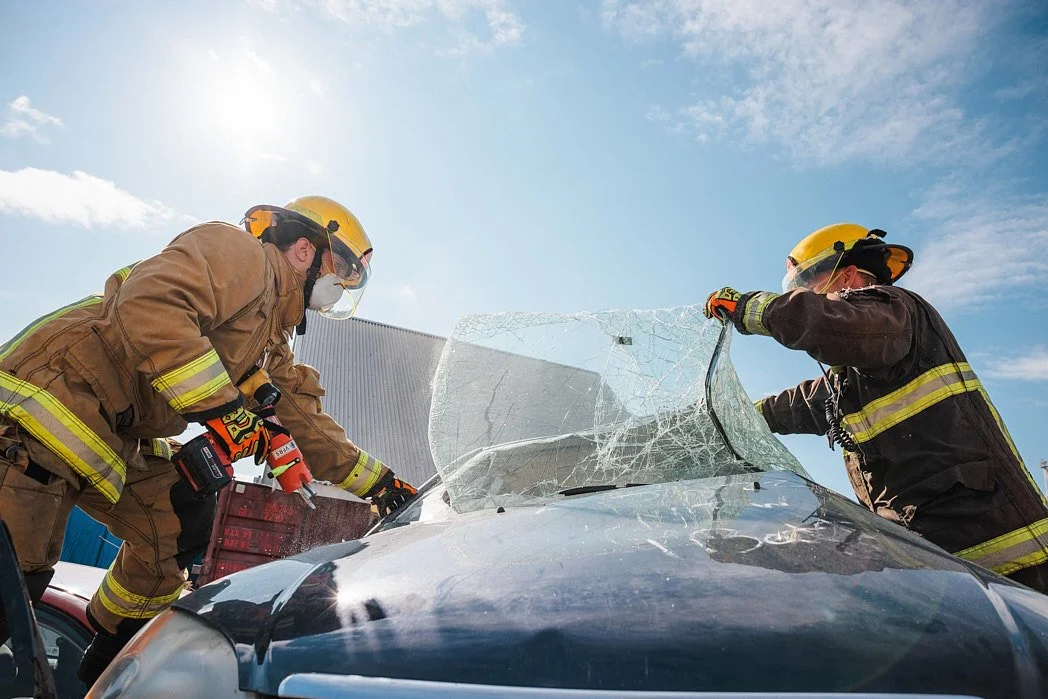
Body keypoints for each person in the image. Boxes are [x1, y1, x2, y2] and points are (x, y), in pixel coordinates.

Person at [0, 195, 418, 684]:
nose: (340, 287)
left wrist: (386, 487)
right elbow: (151, 304)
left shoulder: (268, 339)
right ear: (306, 251)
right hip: (47, 406)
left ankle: (99, 665)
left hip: (114, 432)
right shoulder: (240, 254)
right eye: (342, 270)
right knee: (14, 581)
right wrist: (225, 411)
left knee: (181, 516)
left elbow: (308, 427)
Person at [703, 223, 1048, 592]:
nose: (806, 298)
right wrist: (733, 415)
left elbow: (832, 324)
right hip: (949, 575)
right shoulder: (857, 375)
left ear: (847, 276)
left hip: (1012, 567)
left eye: (808, 288)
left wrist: (748, 308)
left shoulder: (897, 312)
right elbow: (799, 404)